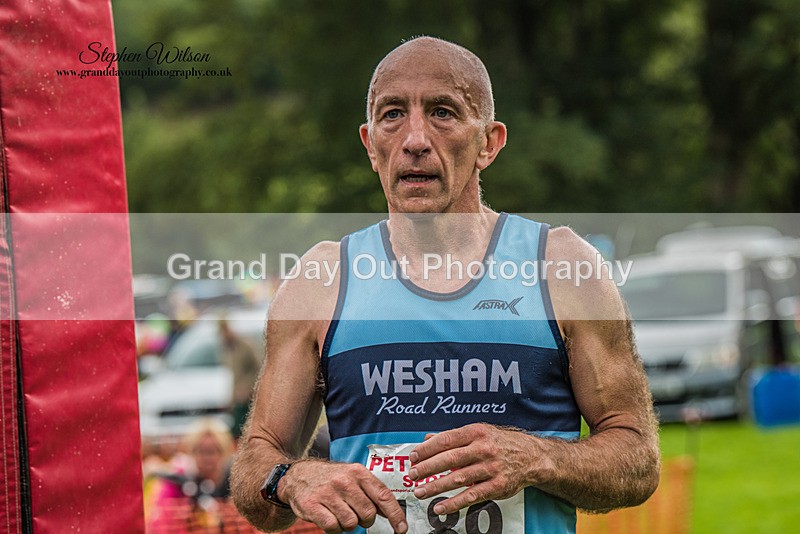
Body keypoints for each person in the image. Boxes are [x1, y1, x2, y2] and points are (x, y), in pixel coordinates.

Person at [231, 36, 660, 534]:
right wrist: (291, 479)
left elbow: (637, 458)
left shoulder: (562, 268)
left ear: (489, 143)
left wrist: (537, 459)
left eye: (442, 112)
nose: (415, 139)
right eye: (393, 114)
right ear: (371, 146)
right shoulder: (320, 282)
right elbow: (253, 470)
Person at [219, 317, 261, 439]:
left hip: (249, 398)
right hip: (238, 399)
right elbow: (234, 377)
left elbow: (259, 368)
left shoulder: (246, 346)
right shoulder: (228, 349)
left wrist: (248, 387)